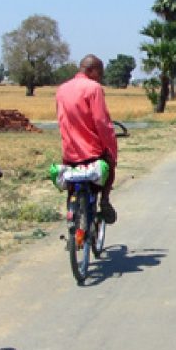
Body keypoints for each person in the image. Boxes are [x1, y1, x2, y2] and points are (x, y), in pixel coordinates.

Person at [55, 54, 118, 224]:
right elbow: (101, 122)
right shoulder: (93, 88)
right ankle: (104, 200)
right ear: (91, 70)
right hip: (91, 152)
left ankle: (71, 216)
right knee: (110, 165)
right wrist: (111, 148)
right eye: (100, 72)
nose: (101, 77)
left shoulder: (62, 89)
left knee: (72, 184)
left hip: (69, 153)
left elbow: (61, 119)